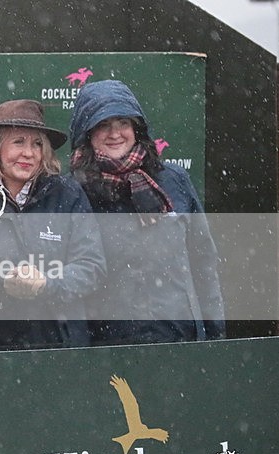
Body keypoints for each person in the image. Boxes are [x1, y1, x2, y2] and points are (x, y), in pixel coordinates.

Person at [67, 79, 225, 344]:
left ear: (137, 129)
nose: (115, 133)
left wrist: (215, 333)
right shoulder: (73, 192)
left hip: (180, 340)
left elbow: (203, 262)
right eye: (103, 124)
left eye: (123, 123)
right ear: (87, 133)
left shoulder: (173, 180)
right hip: (108, 349)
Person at [0, 99, 107, 349]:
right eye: (18, 142)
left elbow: (91, 267)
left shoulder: (67, 194)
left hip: (64, 345)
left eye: (37, 144)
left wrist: (46, 283)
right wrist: (3, 279)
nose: (28, 153)